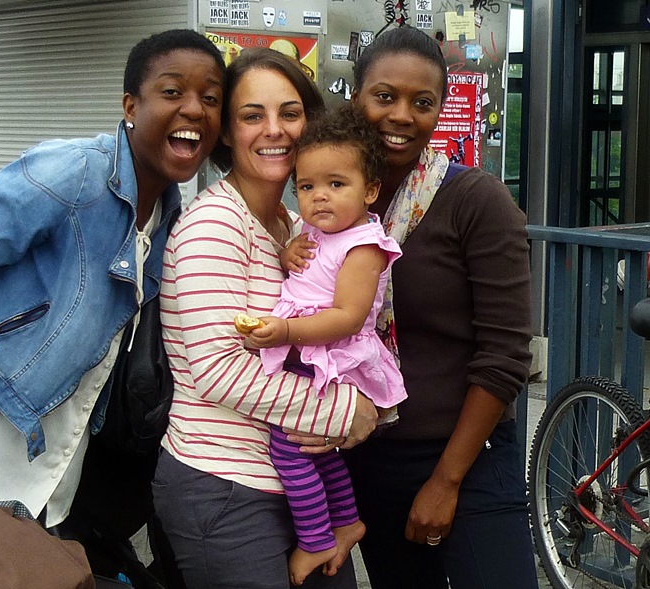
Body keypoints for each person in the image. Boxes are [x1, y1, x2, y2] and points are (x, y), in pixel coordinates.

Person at [0, 27, 224, 583]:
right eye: (172, 91)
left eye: (211, 98)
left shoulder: (173, 217)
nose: (194, 108)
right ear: (131, 106)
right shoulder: (71, 175)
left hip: (37, 471)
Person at [299, 26, 538, 589]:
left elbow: (505, 354)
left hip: (468, 457)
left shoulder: (476, 200)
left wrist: (446, 481)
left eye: (422, 102)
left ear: (439, 109)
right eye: (384, 96)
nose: (401, 115)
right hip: (369, 456)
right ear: (357, 97)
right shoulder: (328, 203)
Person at [151, 48, 379, 589]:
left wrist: (369, 406)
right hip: (225, 484)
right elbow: (219, 372)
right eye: (252, 115)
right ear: (228, 132)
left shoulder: (297, 227)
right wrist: (345, 412)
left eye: (290, 113)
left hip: (301, 486)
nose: (274, 130)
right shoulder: (213, 224)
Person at [242, 105, 406, 585]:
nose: (319, 197)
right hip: (311, 355)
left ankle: (315, 539)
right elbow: (307, 271)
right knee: (318, 449)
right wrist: (287, 251)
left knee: (287, 446)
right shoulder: (315, 231)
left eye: (336, 184)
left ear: (369, 191)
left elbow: (347, 317)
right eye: (307, 186)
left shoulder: (364, 245)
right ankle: (347, 521)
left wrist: (285, 332)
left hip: (335, 358)